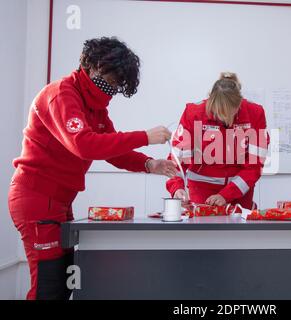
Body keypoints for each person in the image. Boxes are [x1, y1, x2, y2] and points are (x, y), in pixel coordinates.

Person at [8, 37, 177, 300]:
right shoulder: (61, 95)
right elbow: (84, 145)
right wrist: (144, 135)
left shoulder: (95, 108)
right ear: (93, 66)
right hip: (36, 197)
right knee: (48, 285)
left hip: (59, 201)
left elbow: (111, 149)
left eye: (116, 86)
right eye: (109, 82)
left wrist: (148, 164)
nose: (110, 91)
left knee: (64, 282)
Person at [166, 72, 269, 209]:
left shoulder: (255, 113)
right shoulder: (193, 113)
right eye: (218, 113)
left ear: (239, 105)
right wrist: (177, 188)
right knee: (205, 229)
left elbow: (254, 165)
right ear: (210, 102)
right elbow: (177, 159)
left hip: (240, 192)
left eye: (229, 114)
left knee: (240, 229)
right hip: (201, 192)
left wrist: (226, 195)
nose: (223, 119)